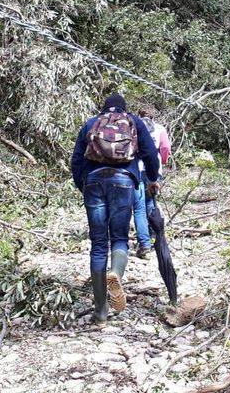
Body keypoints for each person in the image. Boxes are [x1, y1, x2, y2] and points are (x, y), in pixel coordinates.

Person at [71, 93, 160, 323]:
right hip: (123, 181)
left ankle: (100, 311)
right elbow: (150, 153)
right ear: (123, 108)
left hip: (93, 182)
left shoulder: (91, 123)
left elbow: (76, 160)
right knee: (119, 238)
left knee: (98, 244)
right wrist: (151, 178)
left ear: (103, 109)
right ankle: (116, 275)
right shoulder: (134, 122)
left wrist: (84, 184)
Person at [130, 104, 173, 259]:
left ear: (139, 114)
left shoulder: (132, 127)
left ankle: (144, 245)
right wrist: (162, 161)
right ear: (154, 116)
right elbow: (166, 148)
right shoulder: (160, 128)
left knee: (139, 207)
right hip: (153, 170)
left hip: (135, 170)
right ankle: (155, 237)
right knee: (150, 203)